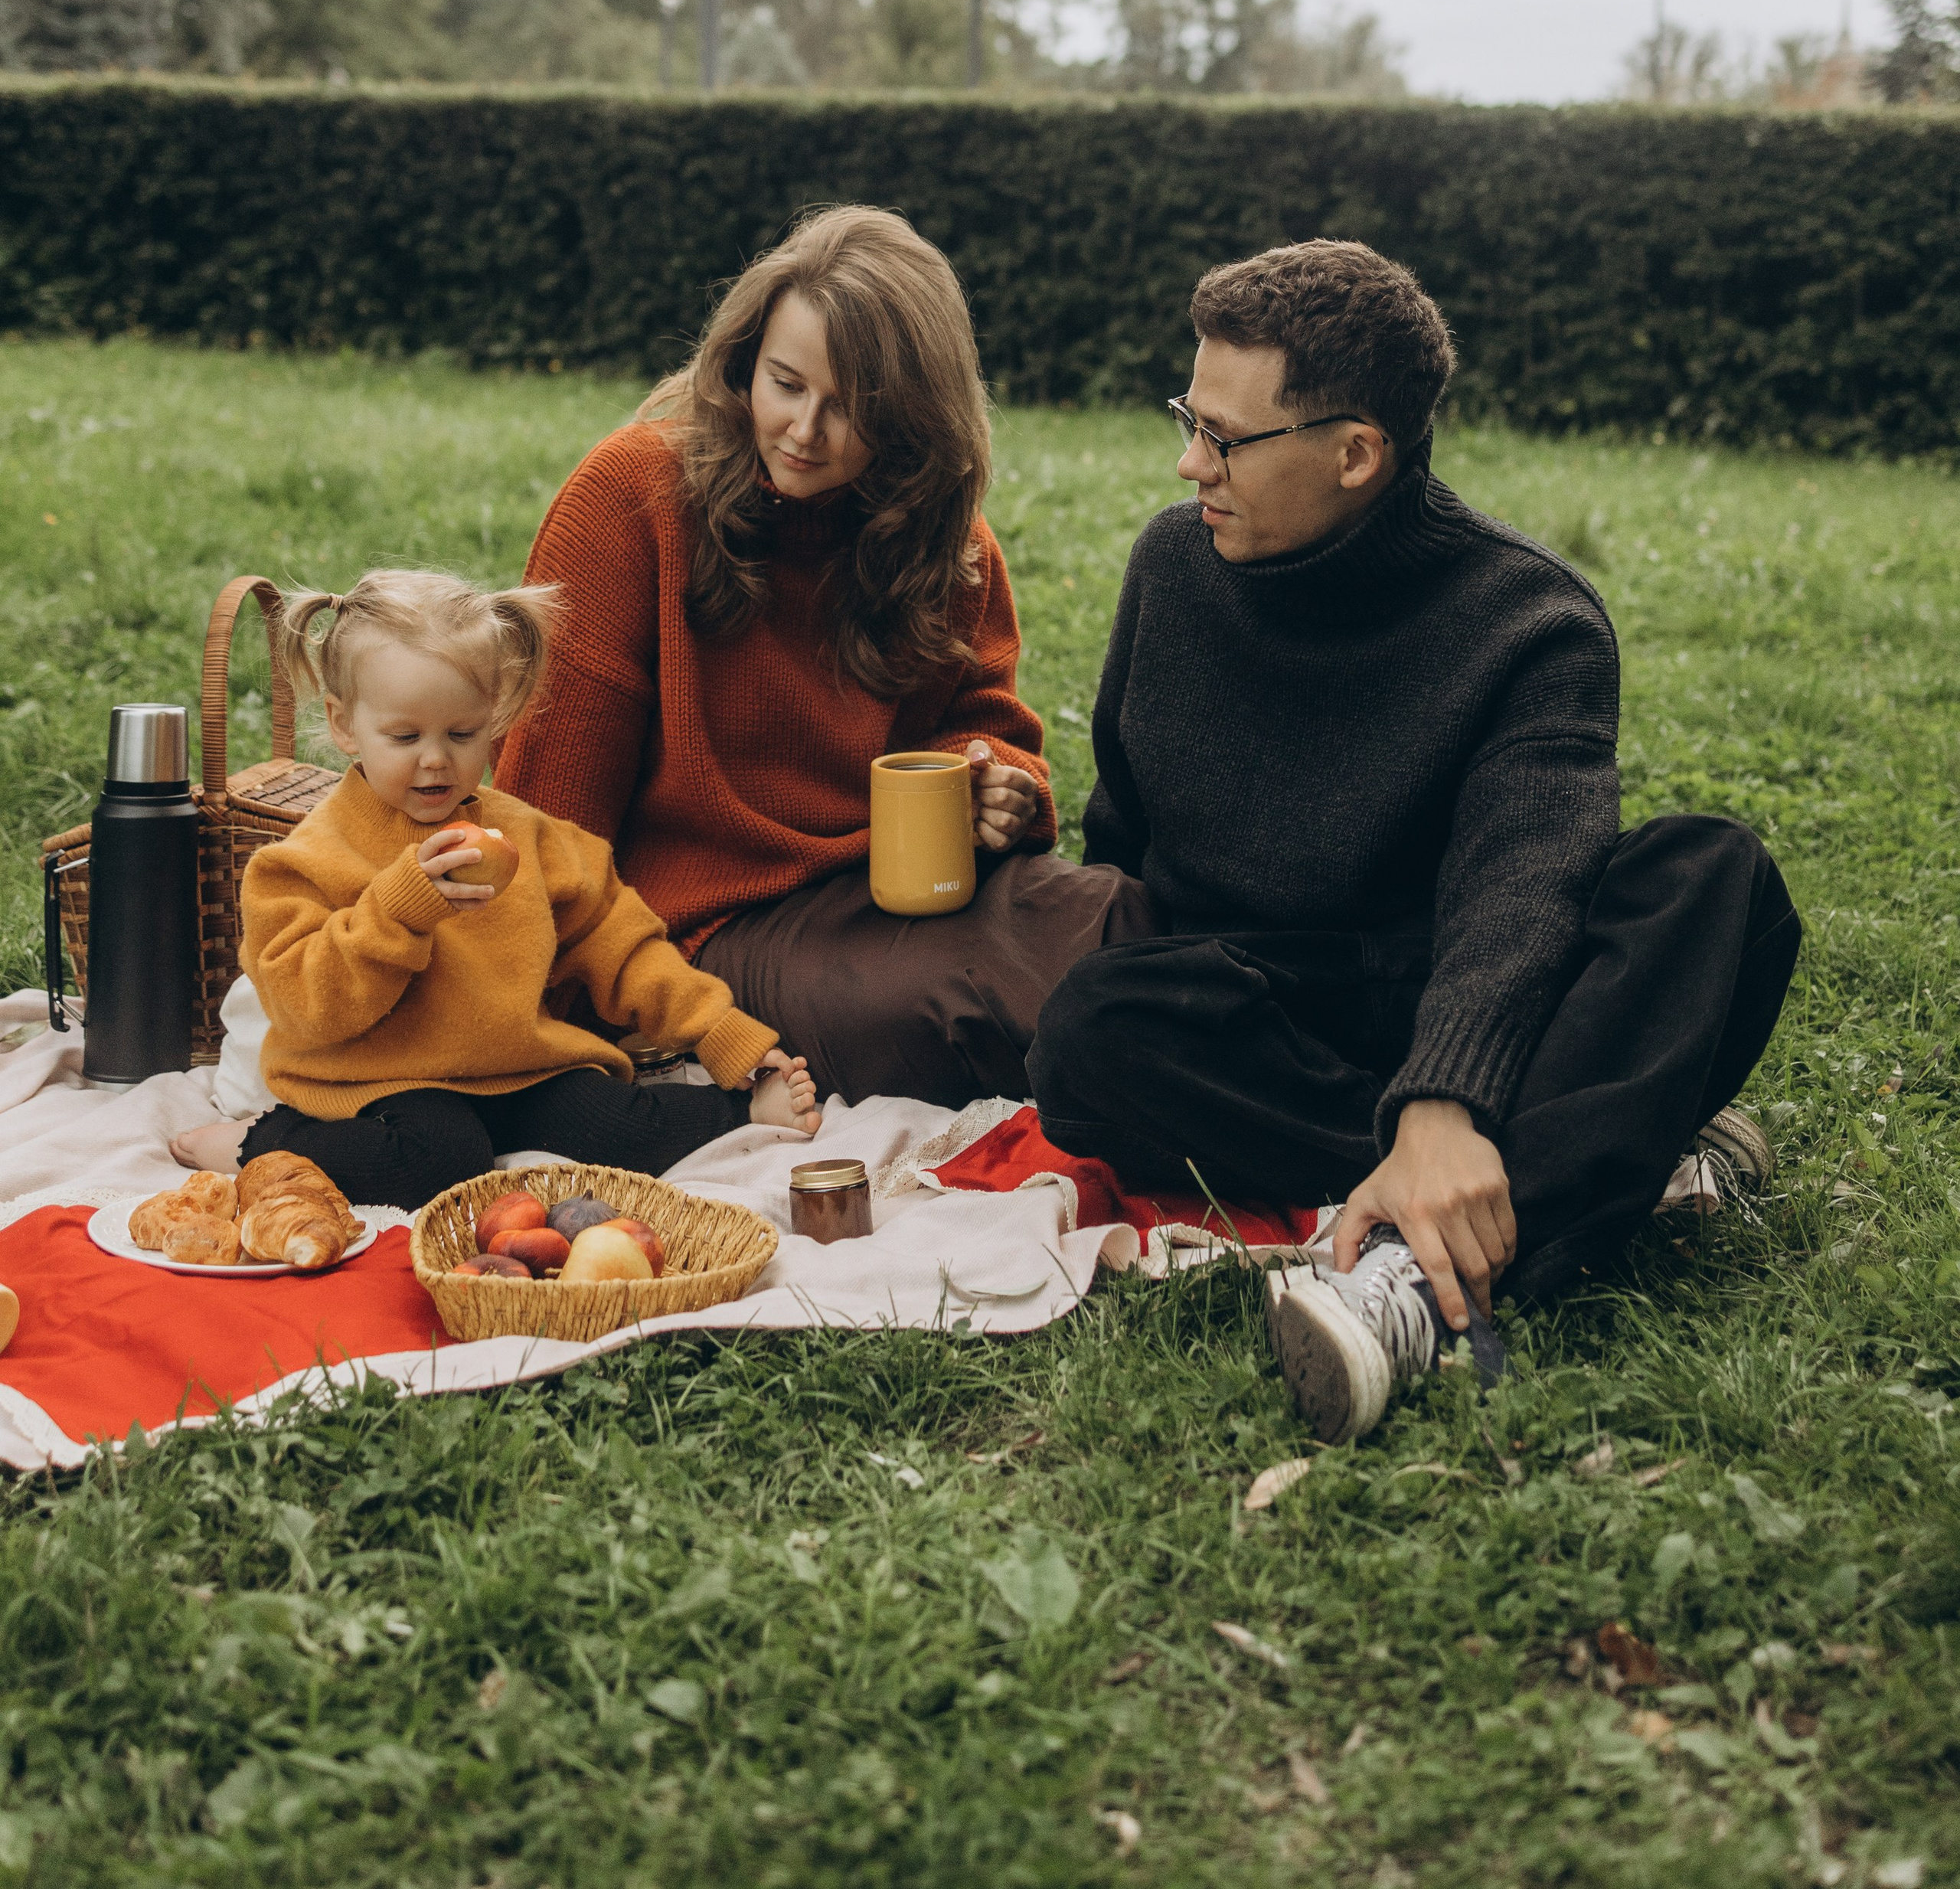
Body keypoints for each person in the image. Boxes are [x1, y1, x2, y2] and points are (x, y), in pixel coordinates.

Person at [1026, 238, 1801, 1442]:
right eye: (1191, 416)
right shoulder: (1171, 570)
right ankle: (1604, 1162)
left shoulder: (1530, 618)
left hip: (1483, 987)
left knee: (1715, 877)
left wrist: (1446, 1097)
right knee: (1091, 1033)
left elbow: (1527, 879)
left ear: (1355, 453)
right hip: (1283, 1018)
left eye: (1224, 438)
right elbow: (1126, 836)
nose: (1190, 462)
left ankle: (1408, 1285)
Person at [495, 204, 1129, 1106]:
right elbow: (550, 816)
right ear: (743, 357)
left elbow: (987, 726)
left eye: (852, 410)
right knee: (960, 1011)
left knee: (1119, 922)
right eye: (786, 383)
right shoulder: (628, 497)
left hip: (901, 883)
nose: (804, 430)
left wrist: (989, 782)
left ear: (914, 419)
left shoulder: (948, 544)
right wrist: (576, 1005)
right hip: (706, 927)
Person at [167, 567, 817, 1205]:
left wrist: (719, 1032)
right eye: (404, 735)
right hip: (378, 1080)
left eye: (462, 733)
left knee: (619, 1124)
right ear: (344, 726)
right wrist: (398, 911)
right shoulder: (302, 861)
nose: (435, 758)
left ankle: (743, 1109)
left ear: (494, 720)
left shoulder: (527, 838)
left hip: (517, 1068)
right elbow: (308, 1008)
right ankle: (261, 1142)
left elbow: (623, 945)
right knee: (440, 1159)